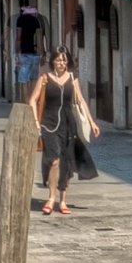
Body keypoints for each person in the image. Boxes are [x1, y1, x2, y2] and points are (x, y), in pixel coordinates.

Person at [31, 46, 98, 213]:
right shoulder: (45, 78)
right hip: (48, 124)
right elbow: (33, 100)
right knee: (54, 160)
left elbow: (81, 101)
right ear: (53, 60)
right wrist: (36, 122)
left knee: (66, 163)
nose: (61, 63)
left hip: (68, 125)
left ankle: (63, 200)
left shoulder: (72, 78)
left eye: (64, 60)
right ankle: (51, 197)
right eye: (58, 60)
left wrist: (92, 122)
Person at [14, 0, 46, 91]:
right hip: (36, 52)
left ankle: (26, 101)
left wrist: (16, 52)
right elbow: (40, 37)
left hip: (25, 52)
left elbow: (19, 37)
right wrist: (42, 53)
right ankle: (33, 99)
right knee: (34, 78)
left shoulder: (20, 19)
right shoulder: (36, 20)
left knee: (24, 79)